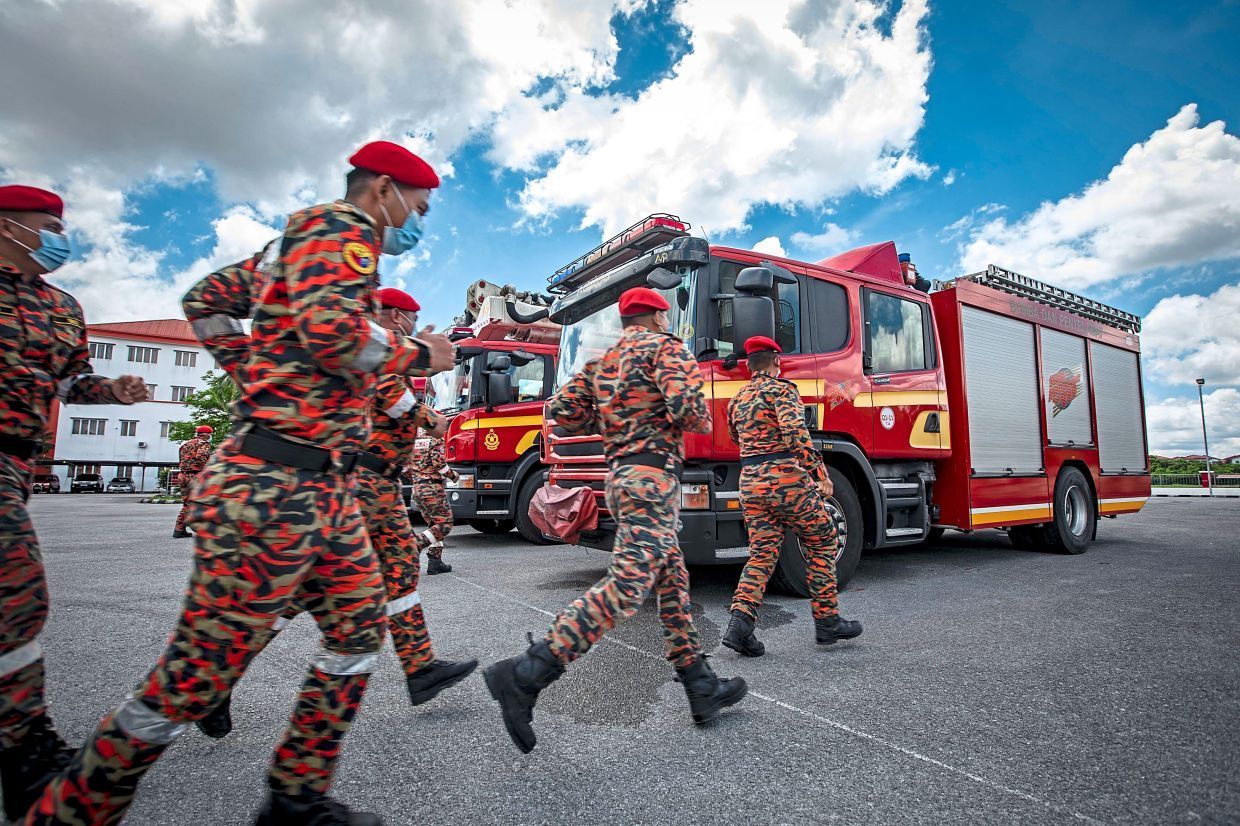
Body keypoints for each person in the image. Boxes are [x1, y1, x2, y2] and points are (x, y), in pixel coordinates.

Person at [25, 142, 453, 826]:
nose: (418, 223)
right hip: (273, 484)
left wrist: (246, 365)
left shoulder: (302, 248)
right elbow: (336, 340)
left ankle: (296, 796)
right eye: (419, 207)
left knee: (356, 628)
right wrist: (420, 353)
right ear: (383, 191)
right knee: (191, 677)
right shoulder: (339, 232)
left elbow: (206, 300)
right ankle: (68, 810)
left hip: (322, 487)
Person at [193, 287, 476, 740]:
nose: (407, 325)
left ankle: (420, 666)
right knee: (313, 587)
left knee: (387, 573)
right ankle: (213, 682)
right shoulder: (375, 350)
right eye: (405, 317)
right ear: (389, 314)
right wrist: (430, 414)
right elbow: (391, 399)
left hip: (376, 482)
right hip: (363, 481)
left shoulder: (384, 351)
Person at [484, 286, 747, 754]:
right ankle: (527, 672)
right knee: (627, 587)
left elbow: (561, 413)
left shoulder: (601, 365)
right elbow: (693, 414)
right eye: (664, 320)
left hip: (620, 477)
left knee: (672, 581)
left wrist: (612, 419)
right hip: (653, 480)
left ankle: (699, 684)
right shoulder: (666, 349)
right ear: (657, 318)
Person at [0, 185, 148, 821]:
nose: (58, 236)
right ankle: (24, 750)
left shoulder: (61, 307)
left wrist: (113, 388)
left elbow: (70, 380)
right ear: (9, 226)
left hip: (15, 458)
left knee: (15, 602)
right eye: (45, 225)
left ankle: (21, 744)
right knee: (17, 592)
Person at [720, 336, 861, 658]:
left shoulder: (737, 399)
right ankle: (827, 621)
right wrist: (820, 473)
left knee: (762, 554)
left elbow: (733, 437)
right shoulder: (782, 390)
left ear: (748, 365)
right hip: (785, 479)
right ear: (776, 362)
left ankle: (740, 625)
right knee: (823, 539)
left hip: (751, 482)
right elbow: (795, 435)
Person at [410, 429, 456, 575]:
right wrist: (454, 476)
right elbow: (439, 464)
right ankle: (416, 544)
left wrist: (417, 479)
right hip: (432, 488)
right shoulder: (435, 440)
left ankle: (435, 562)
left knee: (434, 525)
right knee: (444, 524)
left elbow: (405, 467)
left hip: (417, 489)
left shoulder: (414, 441)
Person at [172, 425, 213, 538]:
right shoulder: (203, 444)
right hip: (195, 476)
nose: (210, 437)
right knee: (203, 501)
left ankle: (179, 529)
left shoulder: (185, 444)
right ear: (205, 434)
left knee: (187, 503)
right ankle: (203, 528)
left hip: (183, 475)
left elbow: (181, 460)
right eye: (210, 434)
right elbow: (201, 458)